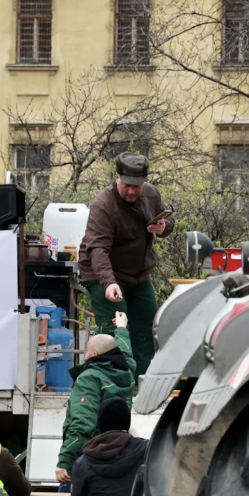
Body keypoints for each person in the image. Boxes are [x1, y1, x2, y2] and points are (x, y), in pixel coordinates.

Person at [50, 310, 136, 496]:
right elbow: (125, 352)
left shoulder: (90, 377)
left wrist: (65, 460)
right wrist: (122, 327)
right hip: (117, 458)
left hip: (89, 460)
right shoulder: (125, 372)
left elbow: (82, 424)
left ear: (91, 355)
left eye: (87, 350)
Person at [77, 151, 175, 378]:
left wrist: (163, 227)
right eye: (127, 185)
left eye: (137, 186)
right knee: (114, 332)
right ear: (117, 177)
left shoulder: (151, 194)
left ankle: (143, 382)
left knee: (148, 326)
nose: (132, 191)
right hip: (101, 273)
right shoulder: (104, 205)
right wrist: (108, 282)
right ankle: (113, 385)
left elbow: (168, 220)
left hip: (138, 274)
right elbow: (98, 248)